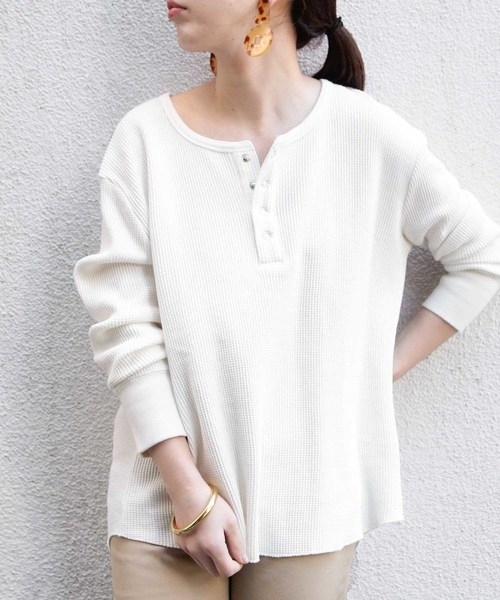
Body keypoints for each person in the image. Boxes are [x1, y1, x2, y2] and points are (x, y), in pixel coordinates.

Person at [72, 0, 500, 598]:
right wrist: (188, 493)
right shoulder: (145, 139)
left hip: (312, 504)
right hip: (163, 504)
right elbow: (125, 329)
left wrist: (369, 373)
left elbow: (481, 259)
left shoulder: (368, 135)